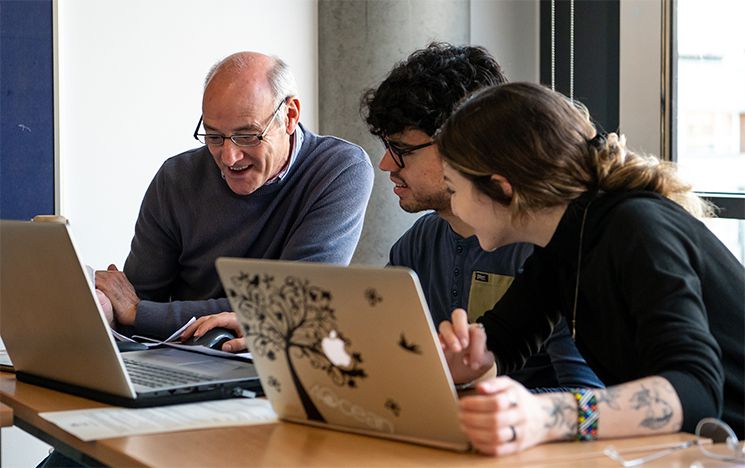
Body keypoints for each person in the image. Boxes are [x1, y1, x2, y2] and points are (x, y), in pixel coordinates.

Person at [436, 82, 745, 455]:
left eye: (453, 189)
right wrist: (474, 360)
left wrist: (547, 416)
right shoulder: (565, 242)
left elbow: (695, 392)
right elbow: (503, 340)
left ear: (502, 189)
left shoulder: (637, 228)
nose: (453, 207)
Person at [360, 43, 602, 390]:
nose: (385, 165)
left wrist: (494, 406)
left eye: (402, 150)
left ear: (467, 144)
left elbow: (589, 395)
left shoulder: (554, 246)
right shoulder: (416, 246)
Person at [95, 52, 374, 350]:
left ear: (290, 116)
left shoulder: (339, 169)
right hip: (176, 358)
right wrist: (113, 307)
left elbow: (291, 304)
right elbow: (133, 305)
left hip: (270, 366)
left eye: (247, 136)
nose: (229, 158)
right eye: (214, 137)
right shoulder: (176, 178)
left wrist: (143, 313)